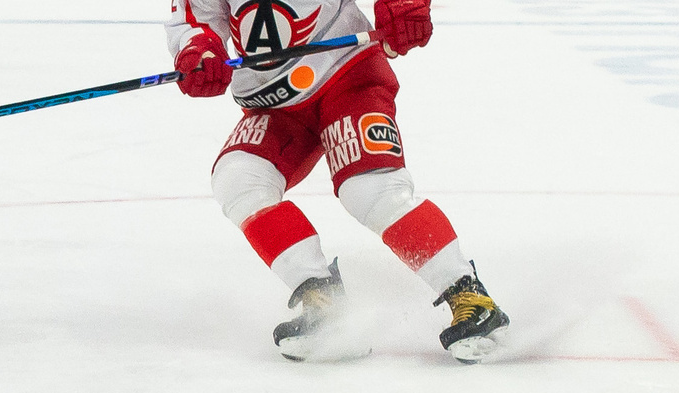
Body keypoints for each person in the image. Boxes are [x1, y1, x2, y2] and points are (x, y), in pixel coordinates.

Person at [166, 0, 511, 362]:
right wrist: (198, 50)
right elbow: (194, 20)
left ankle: (469, 295)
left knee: (370, 189)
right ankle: (324, 302)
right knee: (239, 177)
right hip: (273, 102)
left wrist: (403, 6)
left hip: (347, 76)